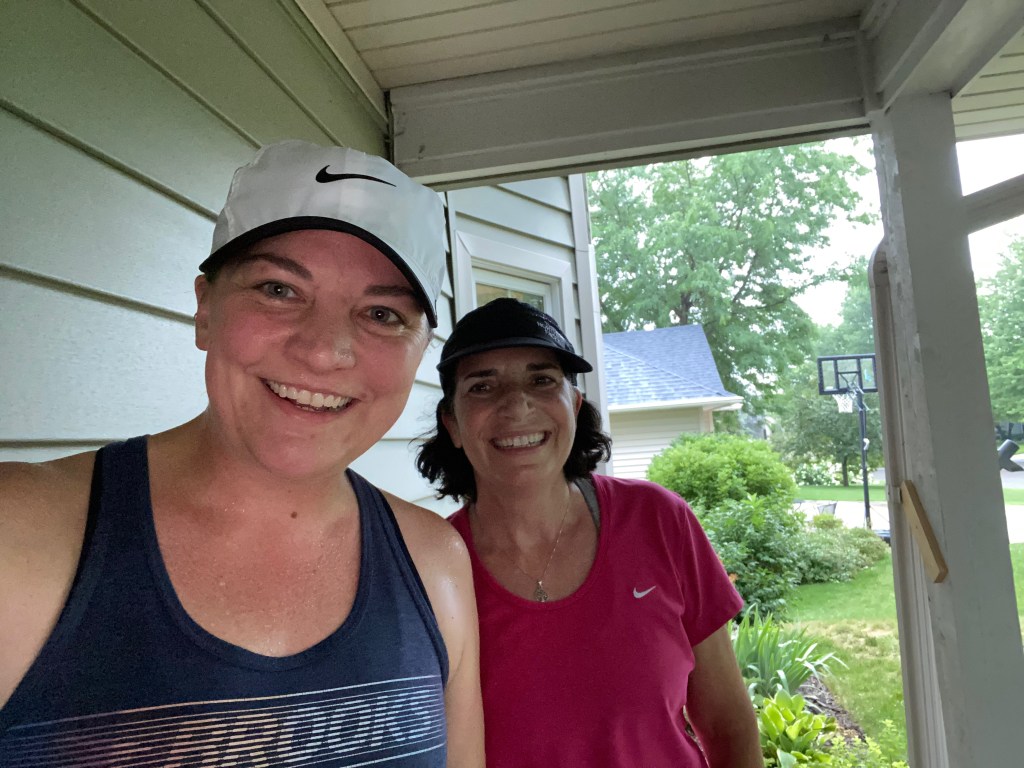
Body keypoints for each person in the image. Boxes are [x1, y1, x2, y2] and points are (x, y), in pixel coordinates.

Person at [0, 140, 484, 767]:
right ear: (205, 308)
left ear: (420, 349)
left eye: (382, 313)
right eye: (280, 289)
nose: (324, 350)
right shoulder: (20, 533)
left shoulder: (435, 563)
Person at [416, 298, 761, 767]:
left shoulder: (659, 520)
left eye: (541, 380)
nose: (516, 404)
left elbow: (727, 723)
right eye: (482, 386)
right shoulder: (431, 570)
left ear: (574, 406)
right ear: (453, 424)